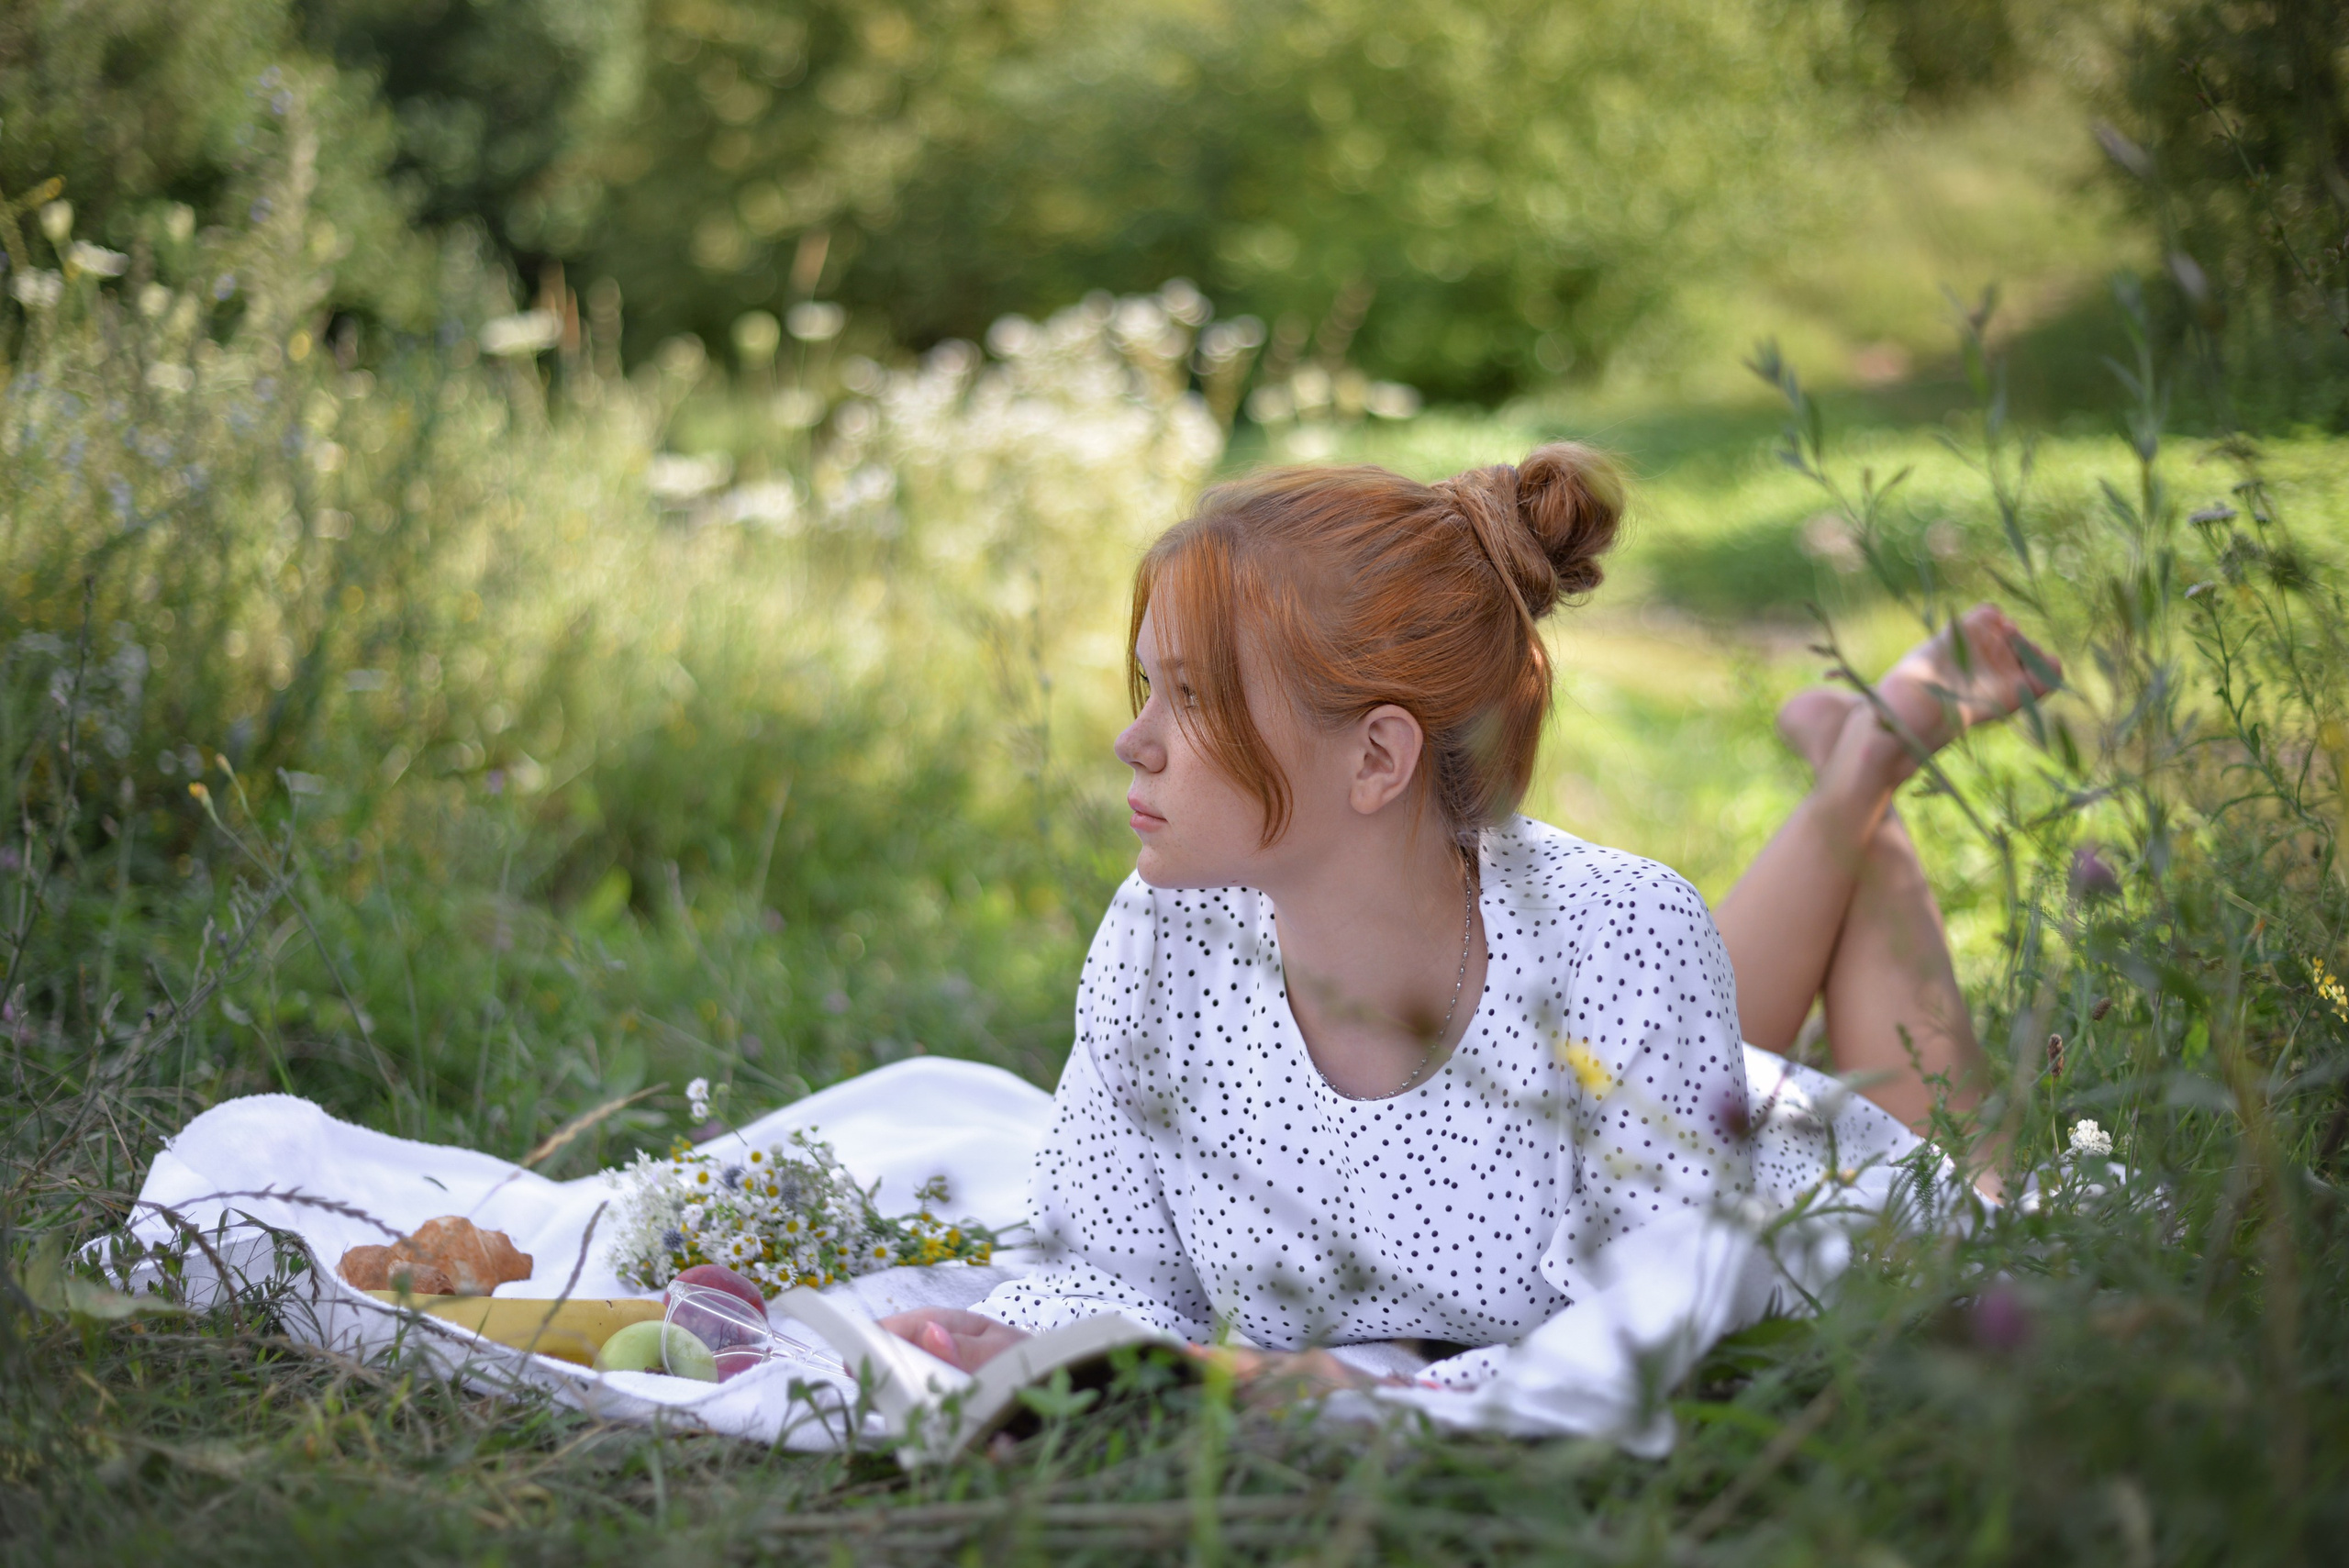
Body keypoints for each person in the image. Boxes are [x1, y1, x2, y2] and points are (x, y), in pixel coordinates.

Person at [881, 445, 2058, 1384]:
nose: (1132, 741)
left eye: (1190, 698)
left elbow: (1639, 1344)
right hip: (1663, 1084)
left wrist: (1353, 1387)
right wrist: (1061, 1351)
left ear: (1377, 756)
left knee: (1983, 1194)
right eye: (1148, 687)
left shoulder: (1623, 931)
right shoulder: (1163, 928)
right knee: (1646, 1034)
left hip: (1798, 1203)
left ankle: (1861, 781)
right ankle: (1855, 773)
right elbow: (1106, 1262)